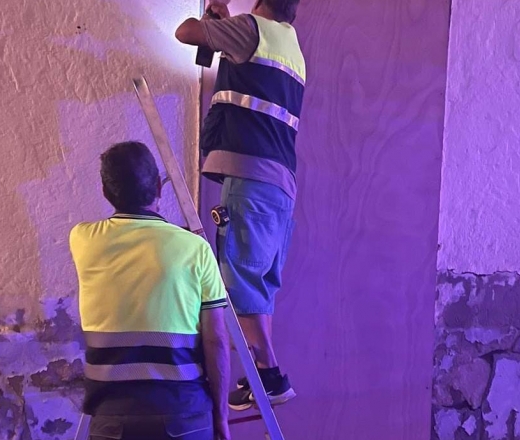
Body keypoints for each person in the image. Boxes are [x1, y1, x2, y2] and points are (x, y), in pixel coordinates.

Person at [174, 0, 304, 411]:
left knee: (238, 281)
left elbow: (186, 32)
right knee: (258, 283)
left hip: (249, 176)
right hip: (280, 184)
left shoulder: (250, 31)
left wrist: (215, 19)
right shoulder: (289, 45)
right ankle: (264, 378)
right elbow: (250, 60)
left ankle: (270, 373)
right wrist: (226, 23)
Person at [69, 141, 231, 440]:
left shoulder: (82, 239)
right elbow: (216, 341)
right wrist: (220, 418)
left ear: (105, 192)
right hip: (185, 415)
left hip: (111, 416)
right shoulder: (195, 249)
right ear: (159, 186)